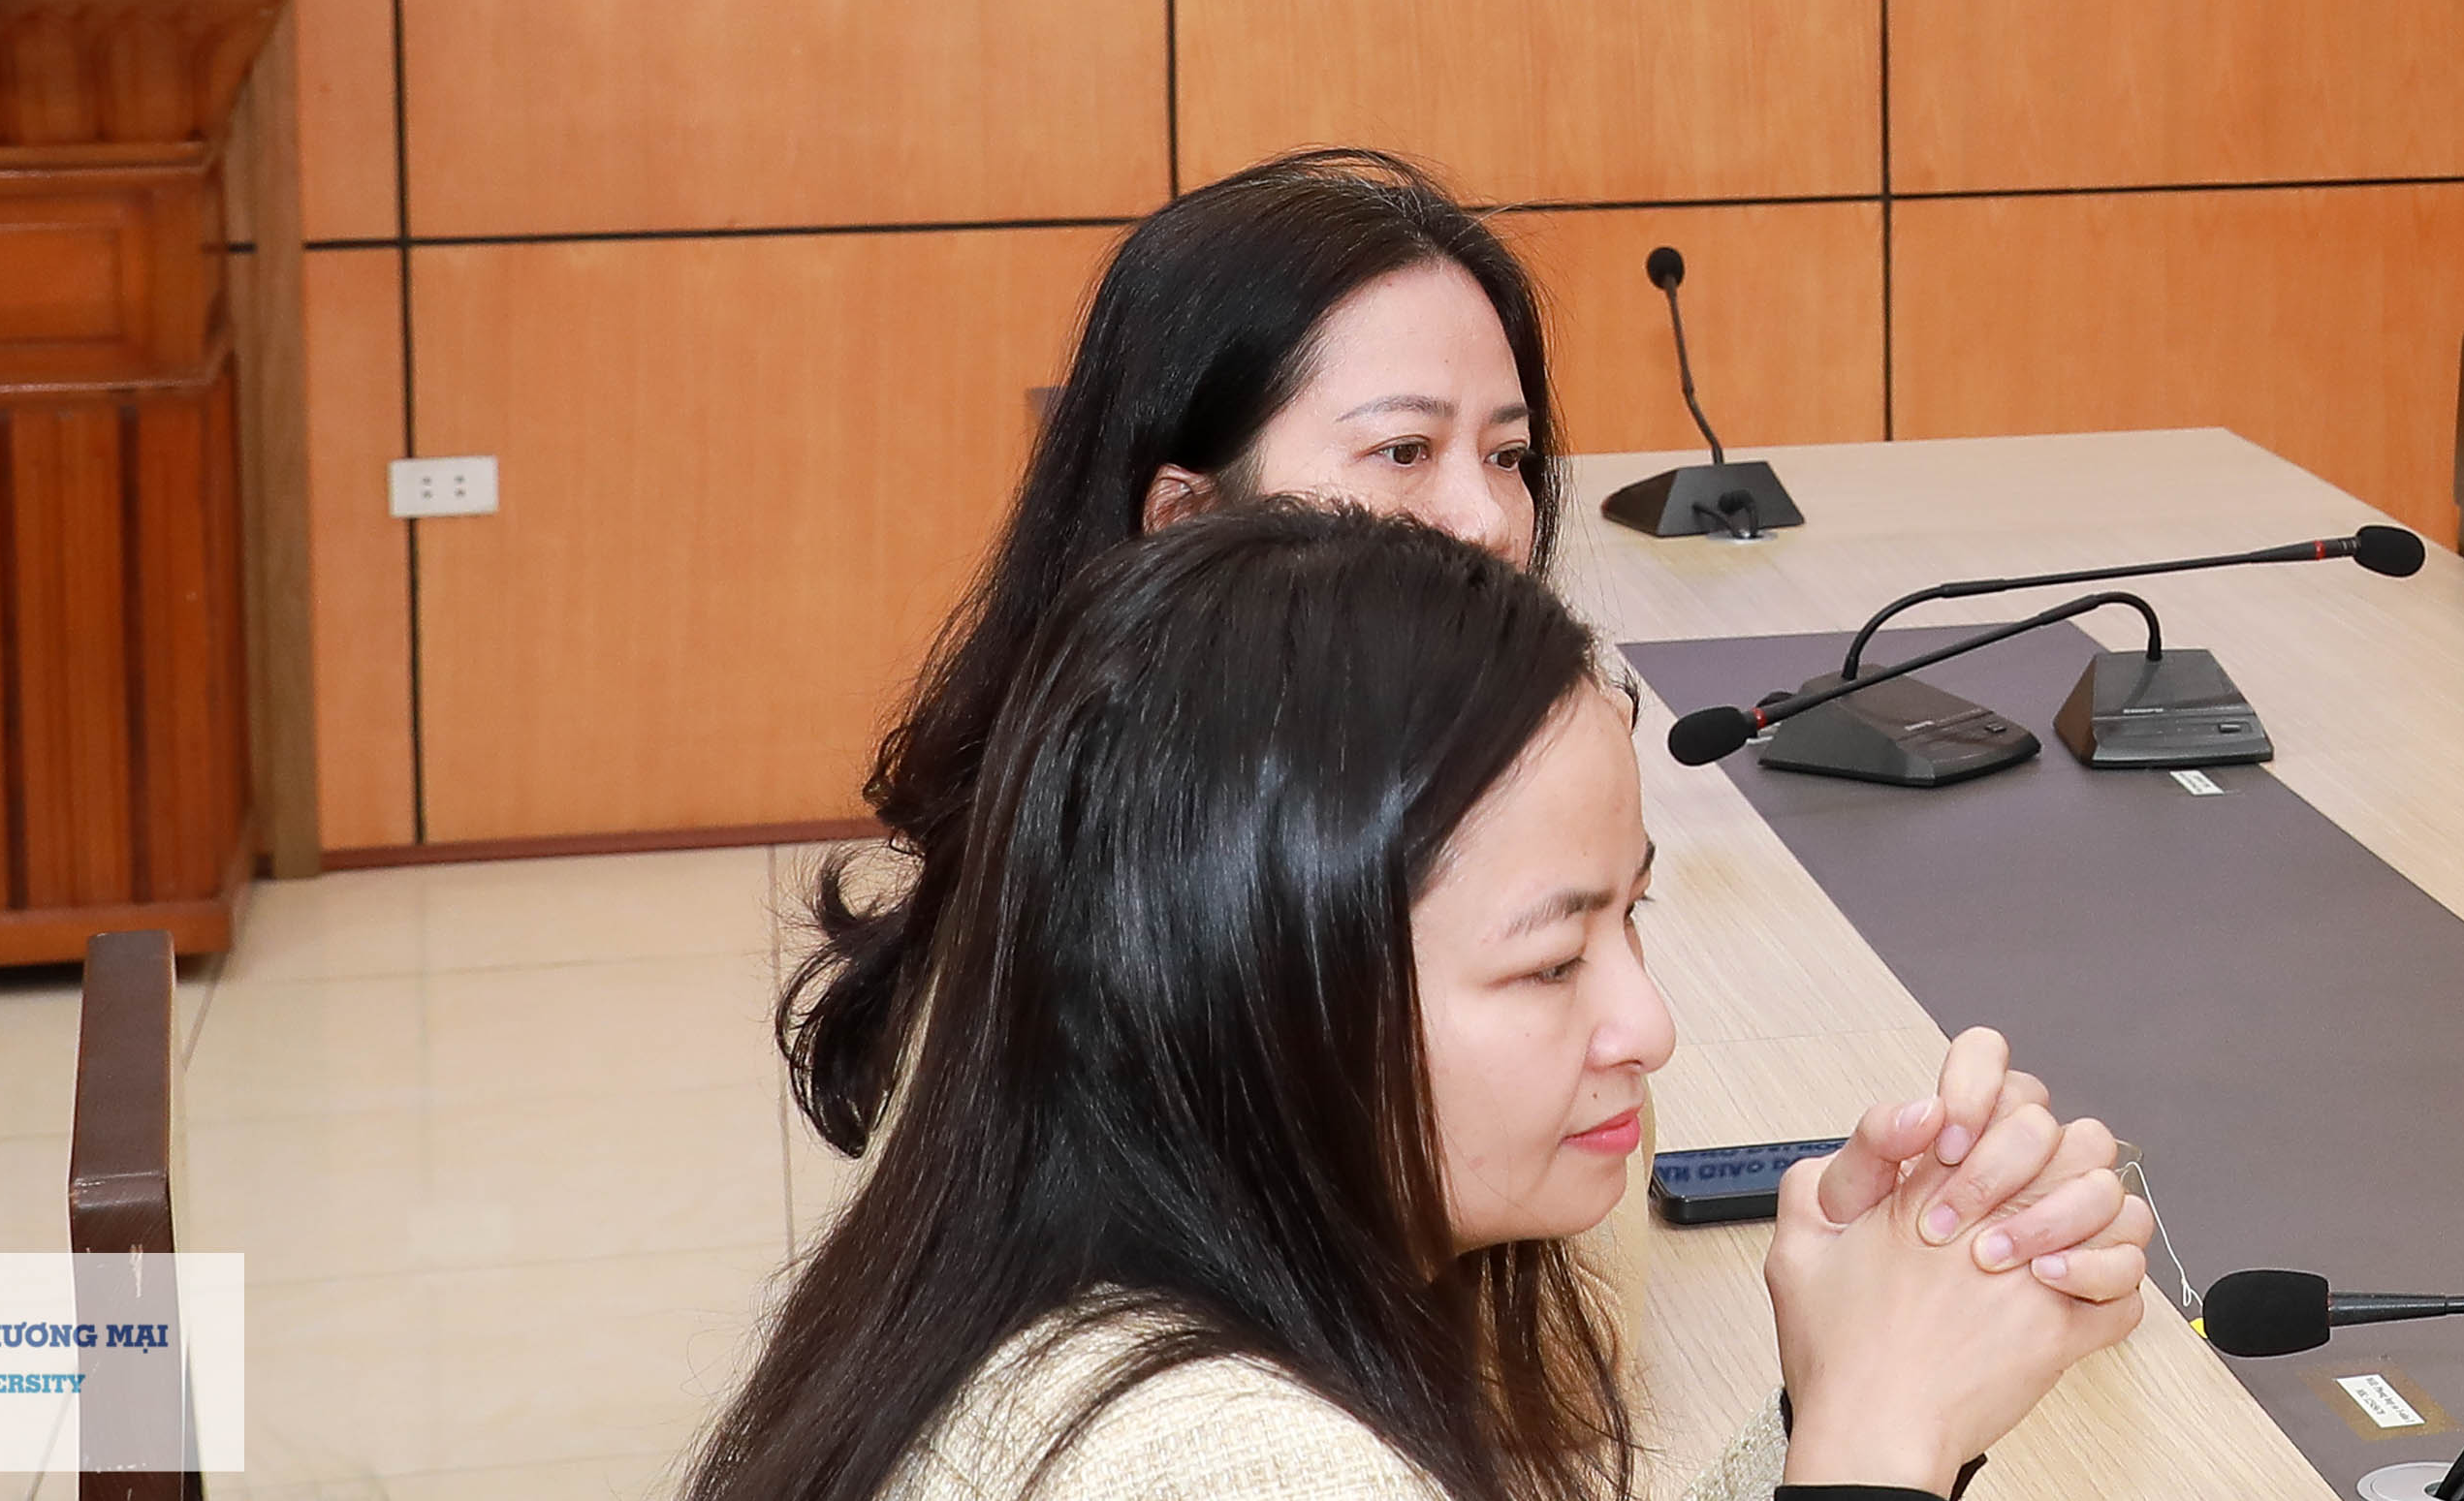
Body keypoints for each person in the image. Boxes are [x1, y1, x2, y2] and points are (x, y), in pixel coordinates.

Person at [689, 505, 2156, 1501]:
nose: (1647, 1026)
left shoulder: (1090, 1262)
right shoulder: (1225, 1464)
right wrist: (1881, 1437)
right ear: (1263, 990)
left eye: (1630, 916)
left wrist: (1829, 1397)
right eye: (1550, 959)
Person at [788, 150, 1567, 1152]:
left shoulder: (1353, 783)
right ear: (1186, 516)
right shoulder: (1139, 927)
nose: (1488, 519)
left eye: (1508, 455)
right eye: (1403, 450)